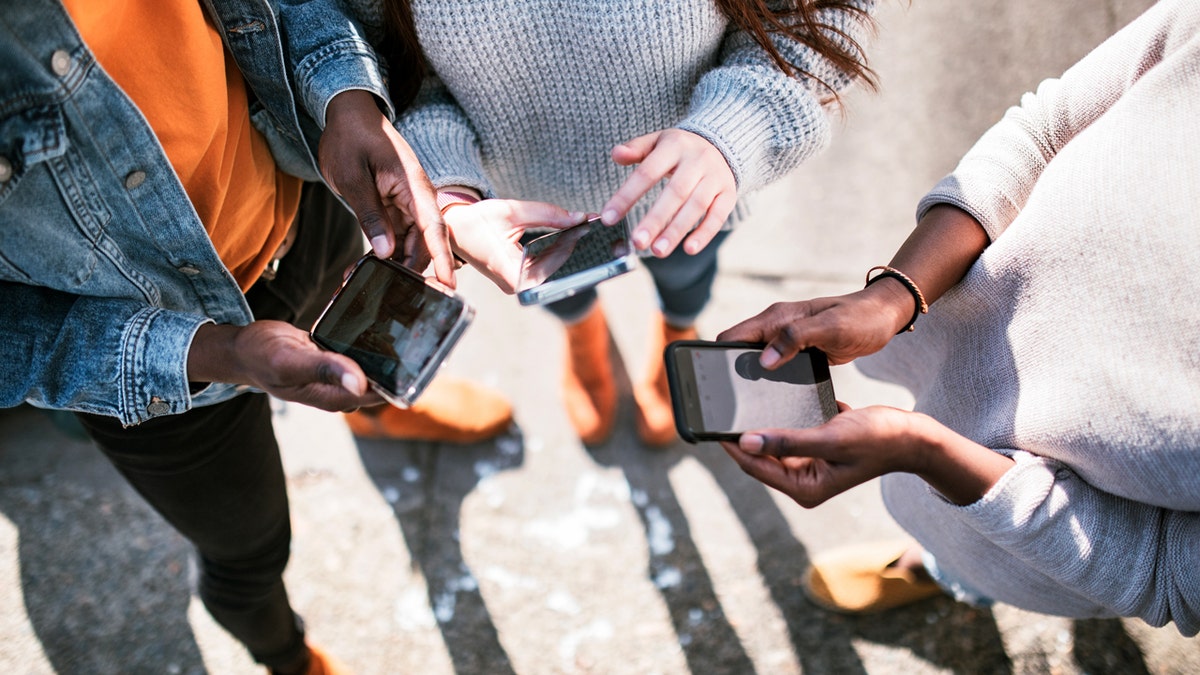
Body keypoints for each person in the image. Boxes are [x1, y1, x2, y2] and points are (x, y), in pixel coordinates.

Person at [0, 0, 574, 671]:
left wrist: (346, 98)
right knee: (250, 553)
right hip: (165, 364)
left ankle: (376, 411)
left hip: (295, 191)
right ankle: (288, 658)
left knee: (356, 345)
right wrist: (219, 352)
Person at [715, 0, 1199, 636]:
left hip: (1036, 535)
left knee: (977, 551)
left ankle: (951, 574)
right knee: (943, 506)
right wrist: (892, 298)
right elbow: (1047, 128)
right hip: (947, 318)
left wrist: (920, 449)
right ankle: (945, 561)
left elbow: (1166, 573)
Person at [355, 0, 878, 447]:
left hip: (690, 188)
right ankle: (586, 337)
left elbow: (811, 17)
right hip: (524, 201)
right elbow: (394, 74)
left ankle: (676, 336)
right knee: (557, 287)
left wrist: (734, 125)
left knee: (687, 277)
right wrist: (446, 187)